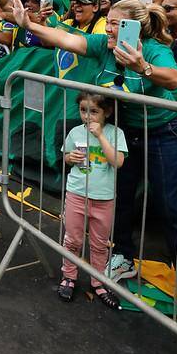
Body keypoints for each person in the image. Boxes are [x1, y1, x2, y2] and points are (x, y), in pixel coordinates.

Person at [10, 0, 177, 312]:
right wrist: (28, 23)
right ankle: (123, 257)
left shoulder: (154, 49)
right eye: (110, 22)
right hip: (125, 132)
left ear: (136, 26)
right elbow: (64, 38)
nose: (111, 29)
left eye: (117, 24)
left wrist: (141, 66)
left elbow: (174, 79)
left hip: (162, 133)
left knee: (172, 206)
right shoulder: (104, 46)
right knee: (122, 199)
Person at [58, 92, 127, 309]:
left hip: (103, 198)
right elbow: (66, 156)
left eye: (94, 111)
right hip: (77, 194)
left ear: (107, 112)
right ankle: (69, 276)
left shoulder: (115, 133)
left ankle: (99, 281)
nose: (87, 117)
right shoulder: (75, 132)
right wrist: (70, 158)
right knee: (73, 240)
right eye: (83, 110)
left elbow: (117, 161)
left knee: (99, 244)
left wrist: (101, 137)